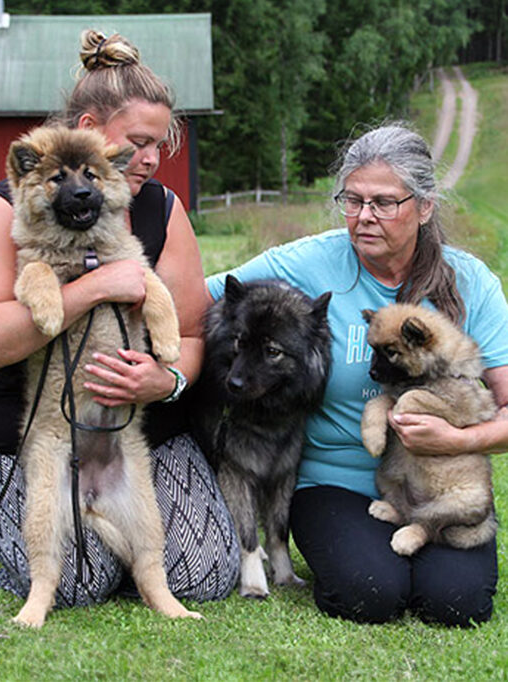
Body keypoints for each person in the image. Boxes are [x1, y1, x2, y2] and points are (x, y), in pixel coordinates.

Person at [0, 29, 239, 609]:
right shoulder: (1, 209)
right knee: (79, 581)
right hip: (19, 431)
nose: (152, 159)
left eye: (160, 145)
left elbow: (188, 332)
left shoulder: (161, 207)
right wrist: (96, 286)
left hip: (127, 429)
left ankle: (118, 533)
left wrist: (168, 380)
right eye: (139, 142)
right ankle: (54, 536)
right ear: (88, 131)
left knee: (204, 575)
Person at [207, 123, 508, 626]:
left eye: (384, 202)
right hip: (333, 482)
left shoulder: (471, 282)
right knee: (370, 593)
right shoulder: (310, 261)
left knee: (455, 602)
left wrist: (458, 440)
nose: (364, 216)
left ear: (425, 206)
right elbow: (204, 294)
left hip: (440, 483)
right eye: (353, 199)